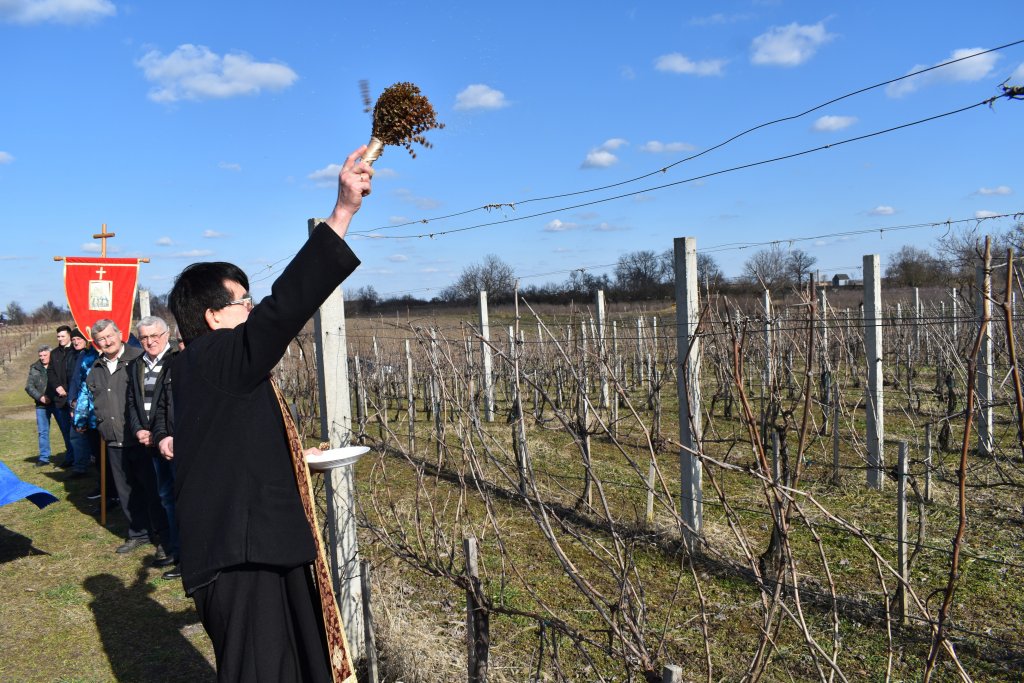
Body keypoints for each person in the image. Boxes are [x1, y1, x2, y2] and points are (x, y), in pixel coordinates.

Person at [167, 145, 372, 682]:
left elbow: (225, 446)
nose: (252, 308)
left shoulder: (202, 368)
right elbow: (285, 309)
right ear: (213, 317)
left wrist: (294, 454)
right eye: (243, 301)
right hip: (244, 557)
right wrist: (342, 213)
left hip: (253, 546)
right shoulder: (217, 357)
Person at [82, 318, 169, 556]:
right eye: (100, 339)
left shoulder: (138, 358)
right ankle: (138, 533)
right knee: (126, 492)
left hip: (140, 439)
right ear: (96, 343)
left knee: (153, 490)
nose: (106, 342)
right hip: (112, 440)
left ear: (120, 334)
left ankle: (163, 535)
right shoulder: (95, 367)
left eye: (110, 336)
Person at [125, 316, 179, 576]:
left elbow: (169, 405)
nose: (150, 341)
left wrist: (162, 435)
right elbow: (131, 401)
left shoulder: (177, 361)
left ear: (166, 335)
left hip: (173, 441)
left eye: (154, 335)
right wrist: (138, 429)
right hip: (150, 441)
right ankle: (174, 548)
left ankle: (186, 552)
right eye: (144, 337)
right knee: (165, 496)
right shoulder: (136, 365)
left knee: (181, 497)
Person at [47, 325, 75, 465]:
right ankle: (70, 457)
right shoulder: (54, 353)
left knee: (78, 431)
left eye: (63, 336)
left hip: (74, 398)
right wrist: (57, 387)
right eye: (58, 336)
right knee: (65, 431)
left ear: (69, 336)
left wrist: (70, 390)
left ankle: (83, 458)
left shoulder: (76, 351)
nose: (60, 339)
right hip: (60, 399)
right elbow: (50, 372)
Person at [25, 346, 55, 466]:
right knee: (43, 432)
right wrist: (40, 397)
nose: (42, 358)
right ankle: (44, 458)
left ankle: (71, 457)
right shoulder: (34, 368)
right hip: (41, 405)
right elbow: (29, 387)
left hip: (58, 403)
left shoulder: (57, 365)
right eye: (40, 356)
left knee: (66, 430)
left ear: (50, 355)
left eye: (45, 355)